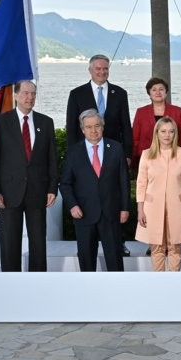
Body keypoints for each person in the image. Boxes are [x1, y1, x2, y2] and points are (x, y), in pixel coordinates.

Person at [0, 81, 58, 272]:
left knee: (38, 243)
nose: (30, 98)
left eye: (33, 94)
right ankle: (10, 284)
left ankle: (37, 283)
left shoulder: (46, 122)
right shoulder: (1, 122)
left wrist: (52, 188)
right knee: (9, 243)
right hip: (9, 194)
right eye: (25, 93)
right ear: (16, 95)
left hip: (38, 192)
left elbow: (52, 159)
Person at [65, 54, 133, 256]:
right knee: (91, 200)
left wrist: (127, 154)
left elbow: (125, 126)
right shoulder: (77, 94)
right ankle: (88, 246)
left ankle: (118, 243)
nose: (102, 72)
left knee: (113, 200)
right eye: (98, 69)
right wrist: (74, 158)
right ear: (90, 70)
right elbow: (71, 129)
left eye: (105, 69)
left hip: (114, 156)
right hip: (87, 156)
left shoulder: (120, 93)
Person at [59, 109, 130, 272]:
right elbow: (65, 184)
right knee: (86, 259)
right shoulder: (74, 152)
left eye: (97, 126)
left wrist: (125, 208)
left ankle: (117, 292)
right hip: (83, 214)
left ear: (103, 127)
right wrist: (72, 205)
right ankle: (88, 293)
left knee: (115, 260)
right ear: (82, 129)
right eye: (89, 127)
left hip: (111, 213)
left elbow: (124, 181)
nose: (93, 130)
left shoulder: (116, 148)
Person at [134, 116, 181, 271]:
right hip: (152, 208)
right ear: (157, 133)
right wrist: (140, 209)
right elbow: (141, 184)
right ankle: (159, 283)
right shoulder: (147, 155)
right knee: (156, 248)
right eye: (163, 131)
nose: (167, 135)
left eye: (171, 132)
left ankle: (173, 283)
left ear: (175, 134)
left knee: (176, 247)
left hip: (178, 207)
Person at [131, 77, 181, 171]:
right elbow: (135, 138)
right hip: (147, 158)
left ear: (166, 92)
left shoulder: (178, 111)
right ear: (149, 93)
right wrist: (136, 158)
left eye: (161, 89)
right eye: (154, 90)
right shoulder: (141, 112)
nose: (158, 93)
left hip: (173, 158)